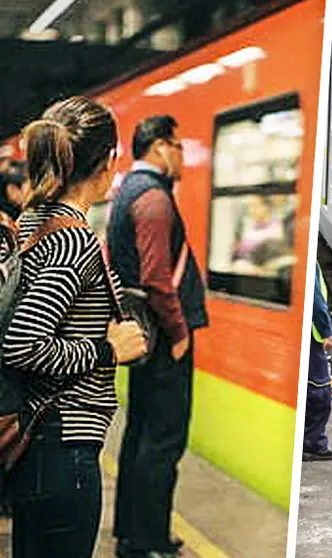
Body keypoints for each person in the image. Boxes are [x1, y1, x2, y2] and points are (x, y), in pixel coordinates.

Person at [1, 96, 147, 557]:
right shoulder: (73, 240)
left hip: (37, 445)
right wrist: (109, 351)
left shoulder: (33, 223)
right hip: (61, 447)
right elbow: (21, 344)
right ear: (108, 162)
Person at [107, 115, 208, 558]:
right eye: (180, 146)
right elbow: (157, 277)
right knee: (163, 441)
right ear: (161, 147)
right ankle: (146, 542)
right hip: (165, 339)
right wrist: (179, 331)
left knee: (140, 433)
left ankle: (130, 531)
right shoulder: (153, 199)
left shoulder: (129, 192)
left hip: (147, 336)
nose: (183, 157)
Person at [303, 263, 332, 461]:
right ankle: (312, 443)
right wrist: (327, 332)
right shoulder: (310, 260)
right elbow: (316, 300)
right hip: (311, 336)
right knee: (320, 391)